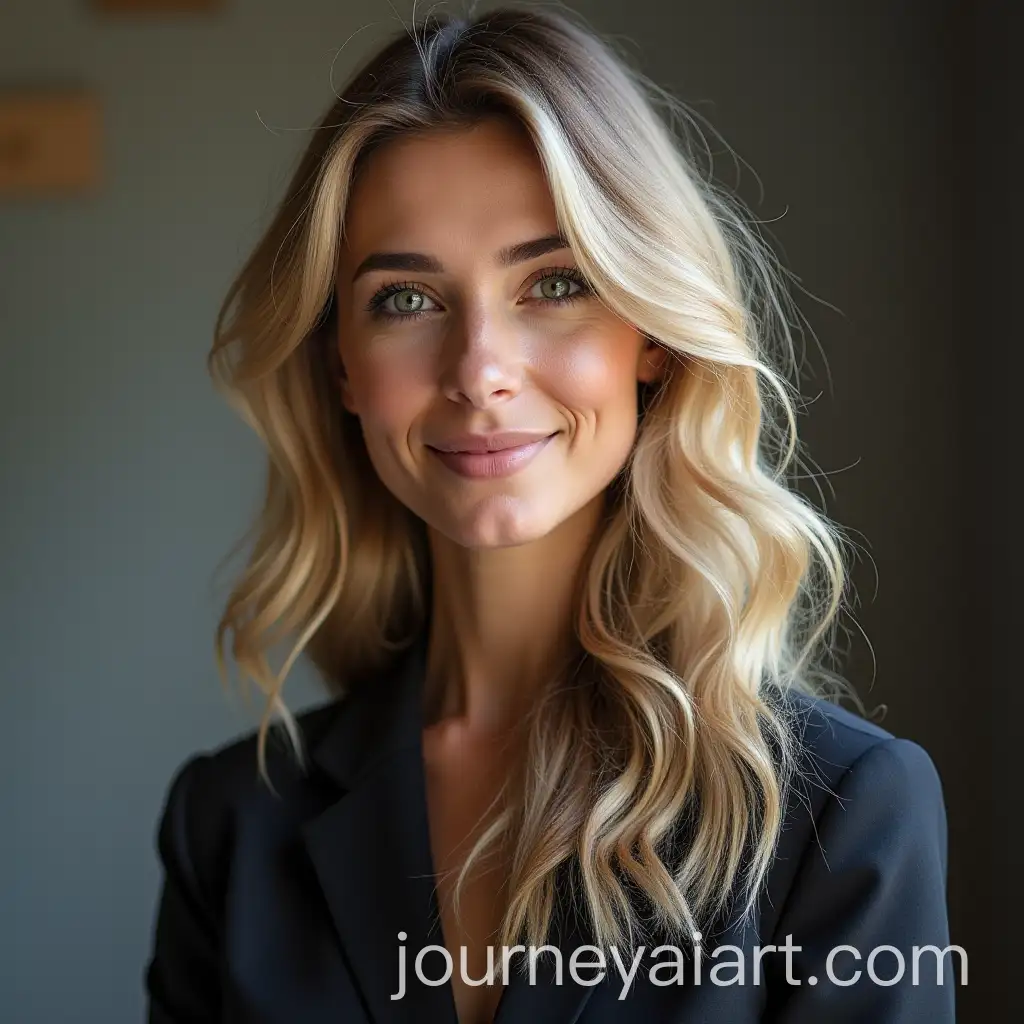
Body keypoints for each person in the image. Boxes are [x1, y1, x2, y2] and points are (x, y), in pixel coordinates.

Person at [144, 5, 955, 1022]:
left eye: (554, 282)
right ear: (340, 364)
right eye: (405, 299)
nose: (480, 372)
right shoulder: (230, 827)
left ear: (650, 335)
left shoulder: (843, 811)